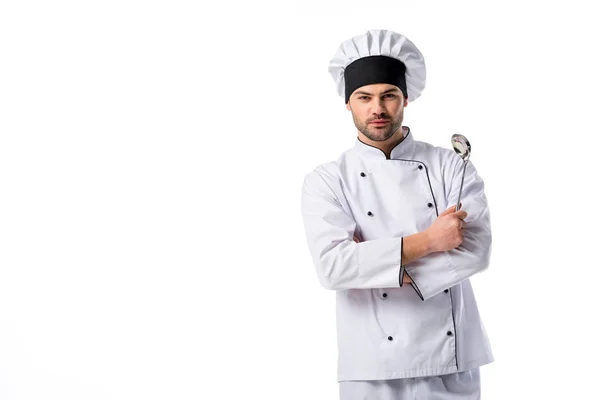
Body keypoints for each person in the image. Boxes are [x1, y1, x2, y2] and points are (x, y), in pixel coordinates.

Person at [300, 29, 494, 399]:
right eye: (364, 97)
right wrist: (431, 241)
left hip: (451, 363)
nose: (378, 108)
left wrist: (376, 263)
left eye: (389, 95)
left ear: (405, 98)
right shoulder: (327, 180)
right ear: (348, 103)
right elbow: (333, 267)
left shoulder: (450, 167)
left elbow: (475, 250)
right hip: (370, 364)